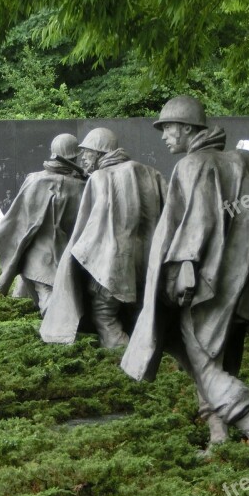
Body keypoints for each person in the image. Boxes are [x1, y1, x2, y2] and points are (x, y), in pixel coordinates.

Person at [121, 96, 249, 450]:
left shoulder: (192, 165)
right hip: (240, 288)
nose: (165, 136)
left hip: (203, 288)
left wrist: (184, 268)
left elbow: (199, 222)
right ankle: (218, 437)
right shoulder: (245, 163)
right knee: (217, 361)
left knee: (203, 362)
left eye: (168, 128)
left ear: (187, 128)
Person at [40, 128, 167, 347]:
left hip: (112, 260)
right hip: (149, 260)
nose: (83, 159)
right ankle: (147, 348)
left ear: (100, 153)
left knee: (104, 313)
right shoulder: (150, 173)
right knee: (140, 309)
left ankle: (121, 352)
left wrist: (76, 260)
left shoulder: (100, 178)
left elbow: (88, 228)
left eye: (88, 153)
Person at [0, 134, 87, 316]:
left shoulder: (35, 179)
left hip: (39, 252)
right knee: (50, 292)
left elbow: (19, 217)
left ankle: (55, 331)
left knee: (48, 291)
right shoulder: (81, 186)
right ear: (75, 157)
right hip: (59, 252)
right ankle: (55, 332)